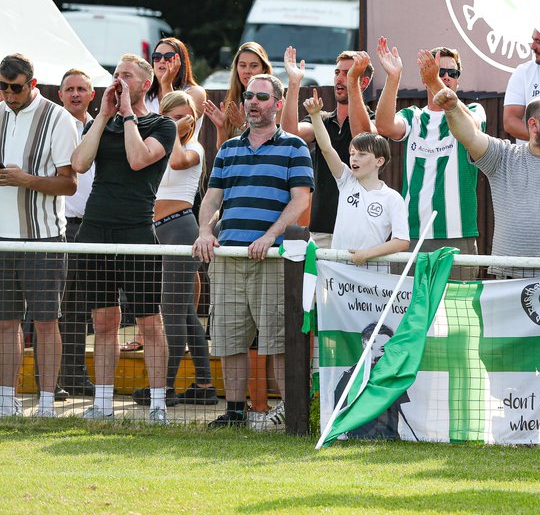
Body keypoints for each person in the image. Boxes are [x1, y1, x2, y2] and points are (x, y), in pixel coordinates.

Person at [418, 49, 540, 277]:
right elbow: (469, 135)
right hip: (508, 280)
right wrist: (451, 108)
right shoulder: (504, 157)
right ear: (534, 125)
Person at [194, 73, 313, 430]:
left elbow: (301, 199)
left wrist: (270, 236)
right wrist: (204, 231)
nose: (253, 102)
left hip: (272, 259)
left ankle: (292, 414)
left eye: (261, 97)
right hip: (229, 257)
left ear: (278, 104)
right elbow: (213, 198)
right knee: (230, 340)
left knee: (278, 341)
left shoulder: (294, 147)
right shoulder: (228, 149)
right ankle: (235, 413)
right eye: (248, 96)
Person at [70, 54, 175, 424]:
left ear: (145, 84)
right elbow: (79, 164)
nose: (118, 80)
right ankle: (102, 402)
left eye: (126, 75)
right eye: (116, 74)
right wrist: (103, 116)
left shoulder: (162, 125)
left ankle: (159, 404)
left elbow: (137, 159)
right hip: (95, 230)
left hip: (136, 232)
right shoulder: (104, 124)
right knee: (103, 323)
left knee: (149, 322)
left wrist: (128, 113)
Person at [0, 54, 79, 418]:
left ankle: (47, 401)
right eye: (3, 87)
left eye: (15, 87)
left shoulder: (58, 118)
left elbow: (69, 183)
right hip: (2, 240)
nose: (9, 94)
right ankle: (6, 400)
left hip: (43, 238)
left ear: (33, 83)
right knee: (5, 323)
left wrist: (26, 180)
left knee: (47, 322)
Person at [367, 38, 485, 280]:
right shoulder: (413, 116)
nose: (446, 77)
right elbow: (384, 125)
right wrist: (393, 77)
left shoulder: (473, 110)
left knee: (455, 315)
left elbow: (471, 129)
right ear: (425, 76)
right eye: (440, 72)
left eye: (453, 73)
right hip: (412, 233)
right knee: (409, 312)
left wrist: (436, 83)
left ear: (458, 79)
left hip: (457, 232)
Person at [140, 91, 215, 407]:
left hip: (181, 229)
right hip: (160, 231)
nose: (176, 123)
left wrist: (174, 129)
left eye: (183, 117)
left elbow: (178, 160)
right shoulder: (160, 144)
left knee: (171, 312)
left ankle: (166, 387)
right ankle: (204, 384)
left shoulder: (193, 147)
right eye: (170, 116)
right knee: (183, 312)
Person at [304, 93, 409, 271]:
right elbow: (327, 149)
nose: (354, 159)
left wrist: (367, 254)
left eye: (362, 154)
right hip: (339, 274)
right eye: (352, 153)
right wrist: (315, 115)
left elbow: (401, 241)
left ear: (379, 161)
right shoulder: (346, 181)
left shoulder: (392, 198)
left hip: (373, 277)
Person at [283, 47, 373, 249]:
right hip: (321, 230)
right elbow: (289, 134)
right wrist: (294, 83)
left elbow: (363, 139)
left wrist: (352, 83)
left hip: (358, 231)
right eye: (337, 72)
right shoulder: (320, 118)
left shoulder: (372, 120)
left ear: (363, 82)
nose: (340, 78)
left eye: (348, 73)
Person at [57, 69, 96, 396]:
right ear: (60, 94)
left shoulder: (102, 128)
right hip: (60, 225)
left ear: (91, 95)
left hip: (94, 226)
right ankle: (53, 380)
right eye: (69, 89)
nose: (75, 94)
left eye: (81, 88)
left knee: (81, 307)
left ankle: (75, 377)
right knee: (52, 307)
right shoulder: (53, 128)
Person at [202, 41, 272, 145]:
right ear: (236, 68)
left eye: (254, 66)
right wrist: (221, 127)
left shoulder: (273, 99)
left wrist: (242, 126)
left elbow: (272, 145)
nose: (247, 71)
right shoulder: (233, 100)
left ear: (264, 69)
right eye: (242, 65)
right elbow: (223, 151)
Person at [145, 37, 207, 115]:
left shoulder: (196, 92)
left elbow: (173, 121)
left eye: (169, 57)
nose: (162, 61)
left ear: (181, 62)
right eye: (157, 57)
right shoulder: (146, 93)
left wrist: (166, 84)